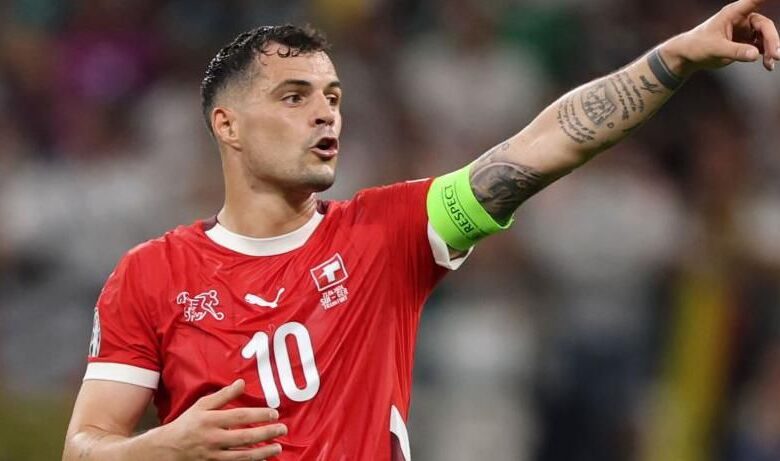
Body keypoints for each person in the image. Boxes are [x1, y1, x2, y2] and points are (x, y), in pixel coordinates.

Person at [62, 1, 779, 459]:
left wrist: (674, 58)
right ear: (228, 125)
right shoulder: (150, 273)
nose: (326, 113)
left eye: (333, 96)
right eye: (294, 96)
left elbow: (544, 145)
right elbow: (85, 444)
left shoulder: (387, 233)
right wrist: (162, 447)